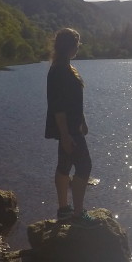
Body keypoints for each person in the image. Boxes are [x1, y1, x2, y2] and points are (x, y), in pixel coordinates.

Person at [44, 27, 95, 223]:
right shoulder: (59, 70)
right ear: (70, 46)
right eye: (77, 44)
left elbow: (73, 100)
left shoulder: (65, 67)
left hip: (73, 127)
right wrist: (65, 135)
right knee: (84, 167)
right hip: (69, 130)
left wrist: (83, 120)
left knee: (64, 166)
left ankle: (64, 209)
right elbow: (58, 107)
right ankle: (78, 213)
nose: (78, 47)